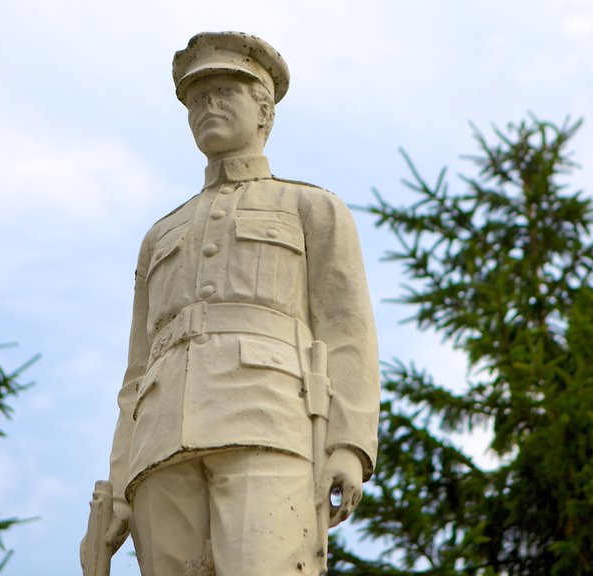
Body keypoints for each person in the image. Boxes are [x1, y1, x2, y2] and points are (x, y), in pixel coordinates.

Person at [91, 31, 379, 575]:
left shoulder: (312, 208)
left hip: (270, 423)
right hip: (159, 442)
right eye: (198, 99)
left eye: (225, 92)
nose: (209, 107)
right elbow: (136, 371)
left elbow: (347, 332)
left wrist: (349, 444)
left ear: (264, 110)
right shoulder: (159, 235)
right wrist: (121, 479)